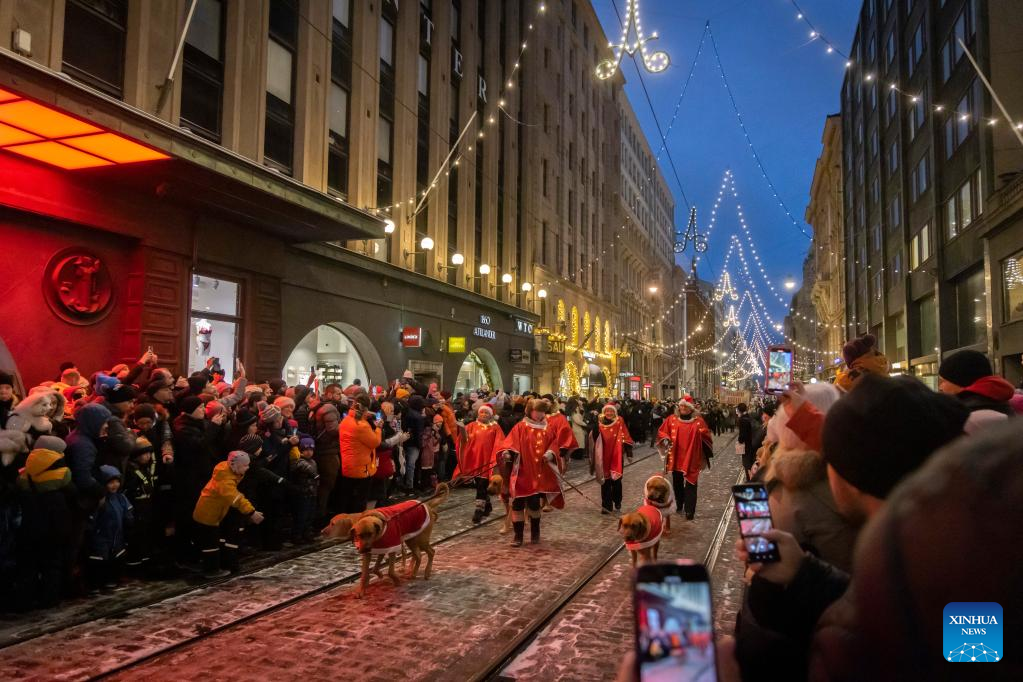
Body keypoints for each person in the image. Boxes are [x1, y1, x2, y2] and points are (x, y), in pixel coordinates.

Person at [733, 373, 969, 681]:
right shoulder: (952, 526)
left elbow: (970, 660)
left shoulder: (959, 568)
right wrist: (806, 573)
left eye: (830, 459)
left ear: (851, 476)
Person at [14, 437, 76, 611]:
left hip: (29, 526)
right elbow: (73, 494)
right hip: (53, 527)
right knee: (52, 563)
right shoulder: (62, 475)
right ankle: (49, 599)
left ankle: (25, 600)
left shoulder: (24, 475)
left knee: (28, 565)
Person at [496, 398, 564, 547]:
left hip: (539, 473)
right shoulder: (520, 427)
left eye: (542, 411)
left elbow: (555, 444)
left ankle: (535, 533)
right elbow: (509, 443)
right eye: (537, 411)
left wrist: (550, 453)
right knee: (517, 504)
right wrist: (507, 452)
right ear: (530, 411)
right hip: (521, 472)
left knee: (534, 504)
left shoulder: (548, 428)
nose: (540, 414)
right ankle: (518, 536)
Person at [192, 451, 264, 578]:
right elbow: (235, 498)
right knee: (210, 544)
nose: (247, 468)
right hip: (207, 515)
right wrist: (251, 512)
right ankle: (211, 570)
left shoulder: (229, 471)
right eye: (245, 465)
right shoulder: (225, 480)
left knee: (213, 540)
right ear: (236, 465)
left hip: (214, 513)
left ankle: (216, 566)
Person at [657, 396, 712, 520]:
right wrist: (666, 438)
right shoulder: (672, 419)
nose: (683, 408)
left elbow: (707, 436)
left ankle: (689, 510)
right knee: (677, 482)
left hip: (692, 457)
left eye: (686, 406)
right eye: (681, 406)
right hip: (676, 455)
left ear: (691, 408)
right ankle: (679, 503)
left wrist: (702, 436)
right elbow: (662, 432)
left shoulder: (698, 421)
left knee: (691, 483)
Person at [937, 349, 1015, 434]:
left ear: (961, 380)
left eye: (943, 381)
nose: (940, 387)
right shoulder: (998, 404)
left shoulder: (968, 417)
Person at [86, 465, 133, 591]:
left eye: (117, 481)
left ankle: (112, 580)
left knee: (116, 558)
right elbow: (92, 518)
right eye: (111, 482)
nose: (115, 485)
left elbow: (128, 512)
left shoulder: (121, 497)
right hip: (101, 536)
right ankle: (95, 584)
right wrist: (91, 531)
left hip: (117, 535)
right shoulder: (100, 501)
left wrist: (129, 521)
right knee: (99, 560)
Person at [456, 404, 503, 524]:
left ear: (490, 415)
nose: (484, 414)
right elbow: (464, 441)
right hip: (475, 461)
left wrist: (495, 460)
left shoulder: (495, 427)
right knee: (479, 485)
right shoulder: (471, 425)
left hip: (487, 462)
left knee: (482, 486)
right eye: (482, 412)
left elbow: (500, 443)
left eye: (486, 413)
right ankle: (487, 505)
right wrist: (462, 429)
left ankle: (479, 510)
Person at [337, 394, 381, 512]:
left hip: (347, 465)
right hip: (362, 468)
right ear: (366, 408)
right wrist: (378, 428)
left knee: (347, 498)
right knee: (360, 500)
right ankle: (358, 520)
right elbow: (375, 442)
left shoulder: (346, 420)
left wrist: (365, 416)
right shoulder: (362, 426)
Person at [589, 404, 633, 513]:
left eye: (611, 411)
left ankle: (617, 500)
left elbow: (626, 436)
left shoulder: (619, 421)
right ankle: (606, 506)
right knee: (605, 482)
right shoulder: (599, 423)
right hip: (603, 456)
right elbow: (594, 438)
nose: (609, 413)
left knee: (616, 481)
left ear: (615, 412)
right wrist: (594, 425)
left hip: (616, 455)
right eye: (607, 411)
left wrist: (629, 453)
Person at [288, 437, 319, 545]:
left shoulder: (313, 462)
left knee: (310, 516)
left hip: (312, 493)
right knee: (301, 516)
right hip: (303, 494)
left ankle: (307, 533)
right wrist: (314, 475)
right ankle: (297, 536)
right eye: (306, 450)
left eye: (311, 449)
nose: (309, 452)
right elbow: (304, 466)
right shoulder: (299, 461)